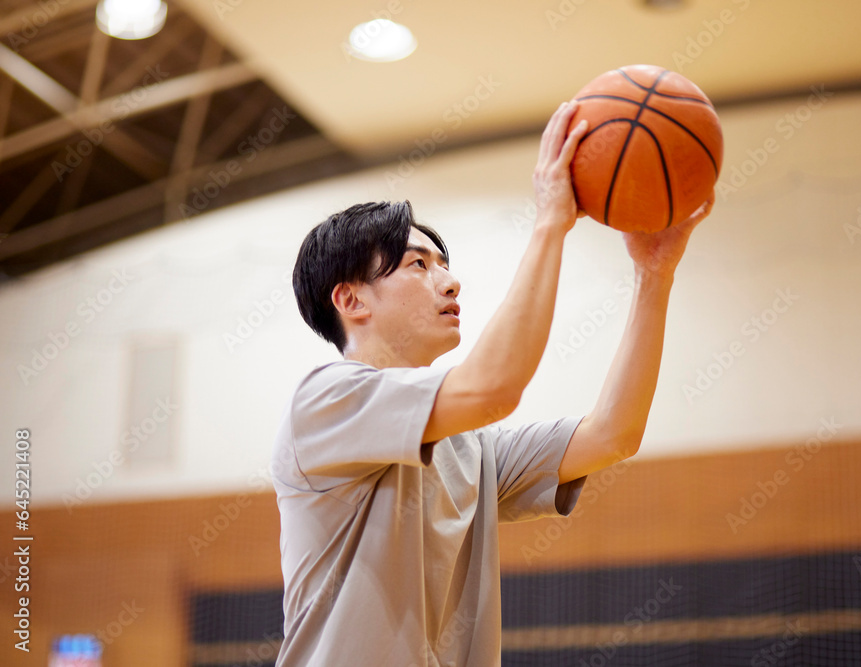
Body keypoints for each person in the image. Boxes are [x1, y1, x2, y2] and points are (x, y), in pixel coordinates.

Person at [271, 100, 714, 666]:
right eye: (418, 265)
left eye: (444, 264)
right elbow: (493, 388)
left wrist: (654, 275)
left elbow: (613, 434)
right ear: (350, 299)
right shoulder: (325, 399)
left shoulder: (468, 446)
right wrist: (552, 221)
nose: (451, 282)